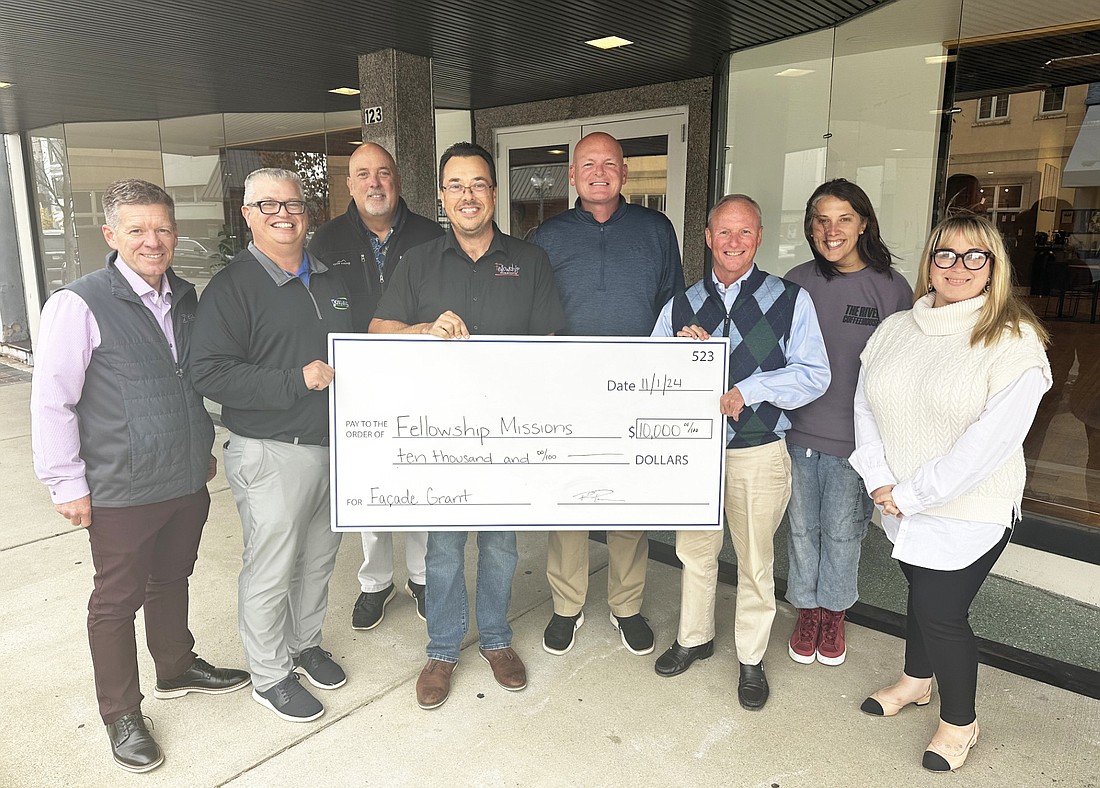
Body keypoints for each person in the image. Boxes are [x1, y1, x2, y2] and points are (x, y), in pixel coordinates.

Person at [30, 179, 250, 773]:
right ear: (111, 235)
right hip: (120, 485)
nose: (153, 240)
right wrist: (65, 481)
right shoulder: (79, 303)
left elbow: (186, 379)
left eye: (162, 228)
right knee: (115, 601)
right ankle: (121, 712)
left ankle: (176, 666)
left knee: (172, 577)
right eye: (137, 230)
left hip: (183, 477)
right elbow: (52, 399)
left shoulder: (184, 293)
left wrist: (197, 445)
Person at [851, 214, 1050, 772]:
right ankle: (917, 681)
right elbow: (866, 407)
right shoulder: (895, 328)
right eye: (945, 254)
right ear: (928, 262)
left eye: (974, 256)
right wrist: (879, 480)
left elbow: (988, 445)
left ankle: (960, 721)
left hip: (971, 509)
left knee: (941, 611)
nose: (957, 267)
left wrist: (909, 493)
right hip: (900, 500)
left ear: (994, 267)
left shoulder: (1014, 340)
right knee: (919, 590)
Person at [370, 142, 565, 710]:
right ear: (440, 195)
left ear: (495, 193)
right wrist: (422, 328)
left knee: (502, 545)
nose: (467, 196)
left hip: (508, 432)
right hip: (441, 434)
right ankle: (443, 648)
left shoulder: (530, 261)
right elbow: (378, 328)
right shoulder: (419, 261)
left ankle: (498, 639)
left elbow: (551, 341)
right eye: (455, 186)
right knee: (445, 547)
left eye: (478, 184)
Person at [651, 194, 830, 710]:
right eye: (723, 232)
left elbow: (815, 374)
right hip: (699, 454)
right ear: (707, 238)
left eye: (745, 232)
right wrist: (680, 353)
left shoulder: (790, 299)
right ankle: (694, 637)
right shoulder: (680, 304)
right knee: (696, 552)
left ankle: (750, 656)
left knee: (754, 559)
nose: (733, 242)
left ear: (759, 238)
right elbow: (652, 372)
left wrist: (751, 389)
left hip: (758, 449)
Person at [190, 168, 354, 723]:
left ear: (307, 213)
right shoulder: (233, 287)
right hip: (269, 450)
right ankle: (269, 674)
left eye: (293, 204)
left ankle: (305, 645)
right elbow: (208, 372)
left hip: (336, 447)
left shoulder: (329, 277)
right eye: (268, 205)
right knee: (271, 565)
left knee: (320, 559)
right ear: (247, 214)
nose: (283, 214)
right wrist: (293, 380)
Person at [531, 131, 685, 657]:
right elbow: (534, 315)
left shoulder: (656, 229)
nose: (599, 172)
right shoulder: (547, 235)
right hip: (565, 393)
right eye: (588, 164)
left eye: (610, 163)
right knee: (567, 504)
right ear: (572, 176)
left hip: (634, 392)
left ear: (625, 172)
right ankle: (567, 604)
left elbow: (673, 309)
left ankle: (627, 605)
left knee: (627, 506)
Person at [309, 142, 444, 631]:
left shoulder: (431, 236)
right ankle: (376, 582)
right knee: (370, 487)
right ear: (349, 184)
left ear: (399, 180)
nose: (375, 183)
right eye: (363, 174)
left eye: (384, 172)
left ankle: (423, 577)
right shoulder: (325, 241)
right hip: (356, 383)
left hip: (423, 378)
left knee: (423, 478)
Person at [782, 179, 912, 666]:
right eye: (821, 219)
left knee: (841, 531)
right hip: (796, 434)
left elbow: (905, 370)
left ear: (863, 224)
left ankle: (833, 612)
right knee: (799, 530)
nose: (831, 230)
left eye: (843, 219)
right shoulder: (794, 281)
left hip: (854, 443)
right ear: (810, 227)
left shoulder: (891, 288)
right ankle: (806, 609)